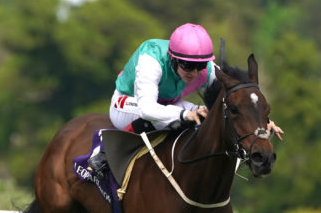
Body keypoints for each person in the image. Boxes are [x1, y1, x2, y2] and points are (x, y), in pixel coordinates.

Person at [88, 23, 283, 174]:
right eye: (187, 66)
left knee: (204, 116)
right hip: (129, 103)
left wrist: (263, 121)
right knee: (165, 116)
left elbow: (239, 99)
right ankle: (104, 150)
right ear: (173, 58)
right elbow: (147, 108)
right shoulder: (151, 60)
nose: (194, 72)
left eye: (199, 66)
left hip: (167, 104)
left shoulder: (206, 69)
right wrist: (184, 114)